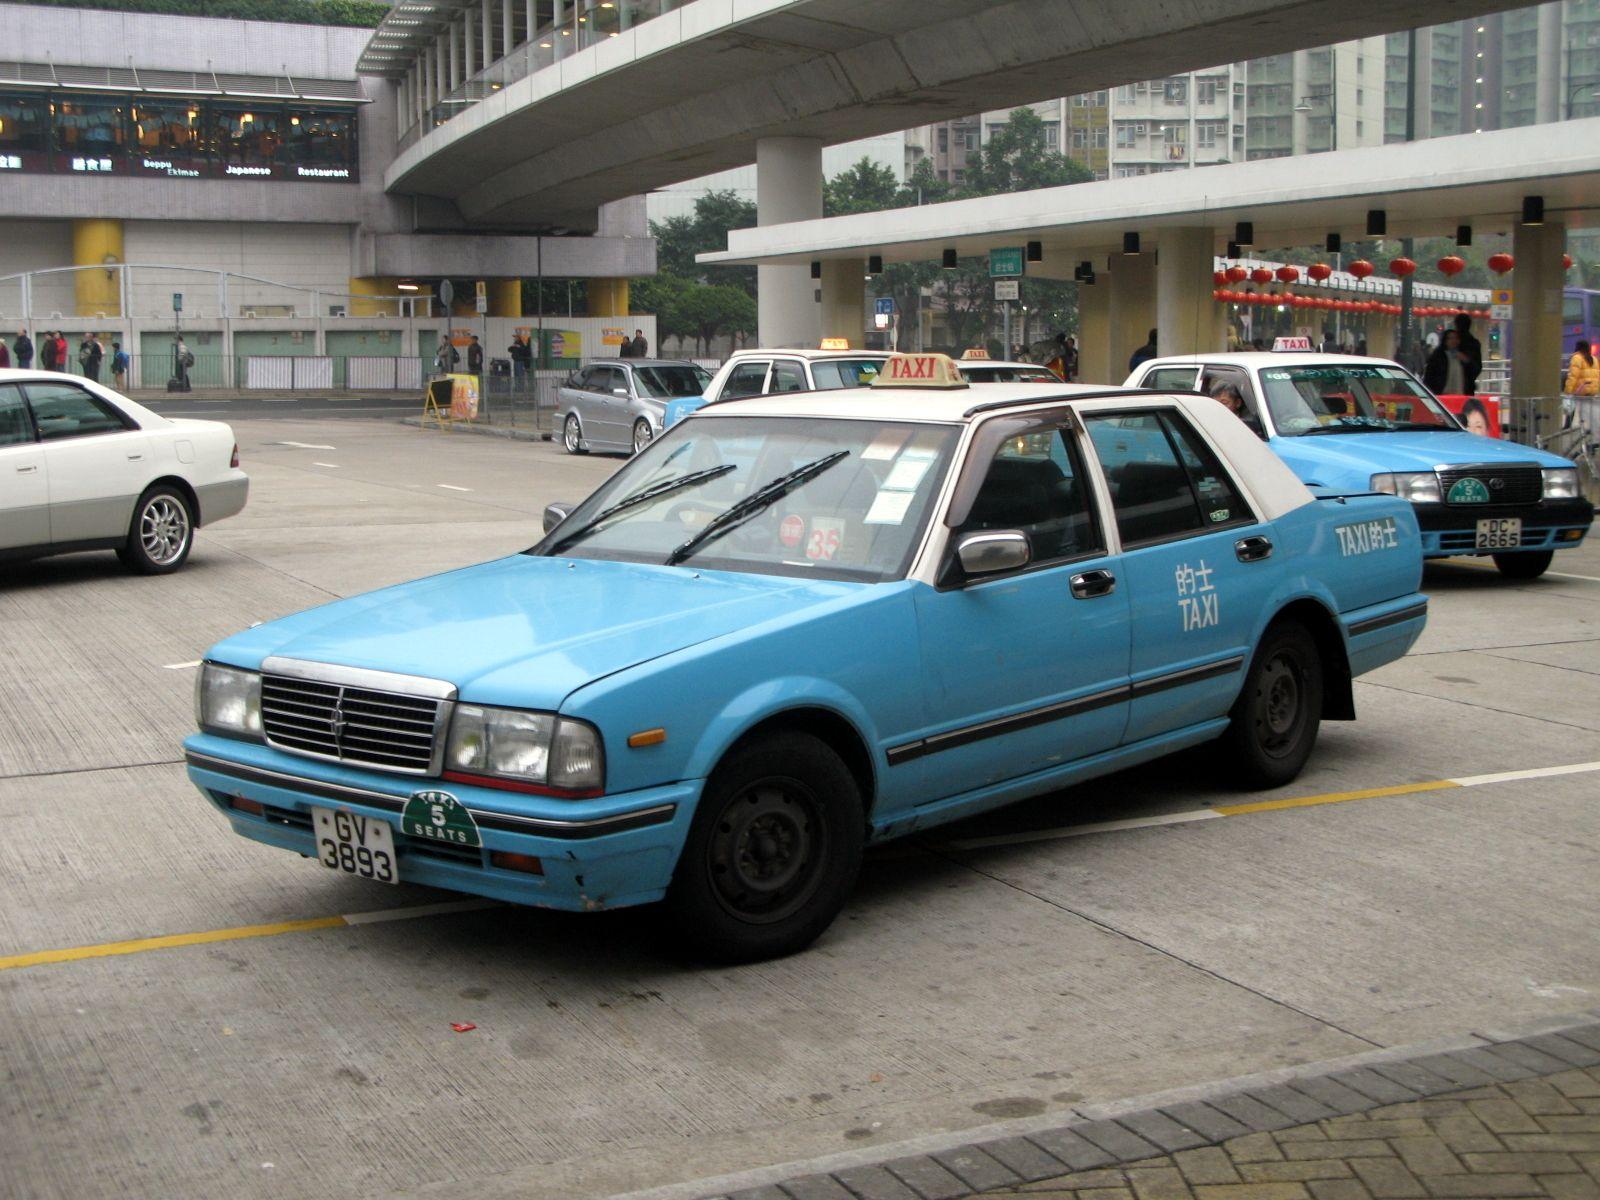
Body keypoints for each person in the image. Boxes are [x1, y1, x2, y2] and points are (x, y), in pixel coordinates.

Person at [1423, 328, 1468, 395]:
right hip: (1441, 395)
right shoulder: (1438, 356)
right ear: (1445, 340)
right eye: (1450, 338)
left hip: (1459, 395)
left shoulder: (1460, 355)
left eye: (1456, 338)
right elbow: (1430, 376)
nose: (1454, 341)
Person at [1453, 314, 1483, 395]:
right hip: (1468, 387)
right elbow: (1478, 367)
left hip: (1451, 387)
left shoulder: (1452, 343)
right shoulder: (1474, 343)